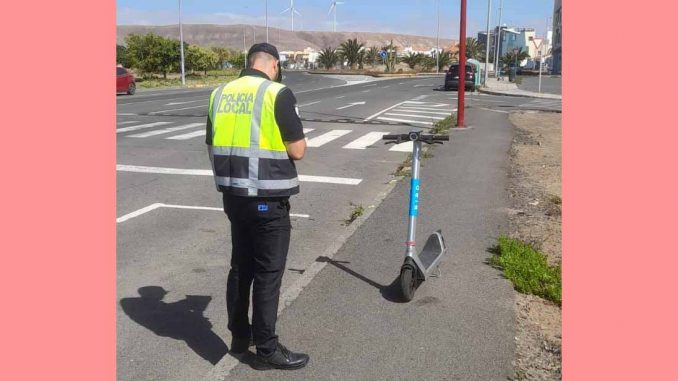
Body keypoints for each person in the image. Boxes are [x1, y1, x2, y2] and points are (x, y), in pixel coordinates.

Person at [205, 43, 309, 370]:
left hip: (233, 198)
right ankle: (266, 349)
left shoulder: (219, 94)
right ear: (274, 65)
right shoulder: (276, 93)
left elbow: (212, 144)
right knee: (268, 274)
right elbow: (298, 150)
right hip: (267, 200)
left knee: (241, 267)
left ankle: (239, 337)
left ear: (248, 63)